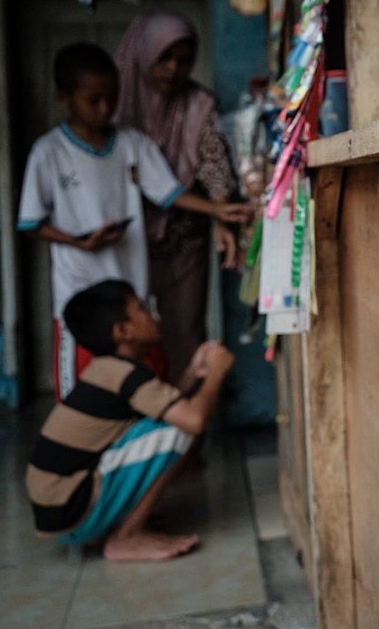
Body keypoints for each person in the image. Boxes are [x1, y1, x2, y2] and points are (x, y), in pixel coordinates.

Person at [16, 43, 251, 399]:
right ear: (64, 97)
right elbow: (31, 222)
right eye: (94, 100)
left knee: (145, 389)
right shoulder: (48, 153)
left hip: (131, 291)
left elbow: (167, 192)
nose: (106, 108)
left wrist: (216, 211)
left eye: (112, 98)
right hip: (79, 296)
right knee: (84, 393)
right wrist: (80, 242)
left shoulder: (131, 143)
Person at [26, 279, 235, 561]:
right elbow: (193, 419)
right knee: (177, 429)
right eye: (142, 309)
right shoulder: (127, 375)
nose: (153, 314)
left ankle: (121, 525)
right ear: (123, 331)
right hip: (71, 509)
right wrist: (216, 374)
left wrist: (193, 372)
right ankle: (126, 537)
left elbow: (162, 403)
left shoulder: (110, 370)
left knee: (168, 423)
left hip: (60, 512)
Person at [114, 12, 246, 389]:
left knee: (184, 333)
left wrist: (222, 217)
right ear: (145, 55)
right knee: (129, 336)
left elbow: (214, 165)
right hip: (126, 238)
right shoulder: (113, 102)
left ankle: (186, 437)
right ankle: (136, 434)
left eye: (184, 60)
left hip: (183, 238)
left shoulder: (200, 105)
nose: (174, 69)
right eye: (165, 58)